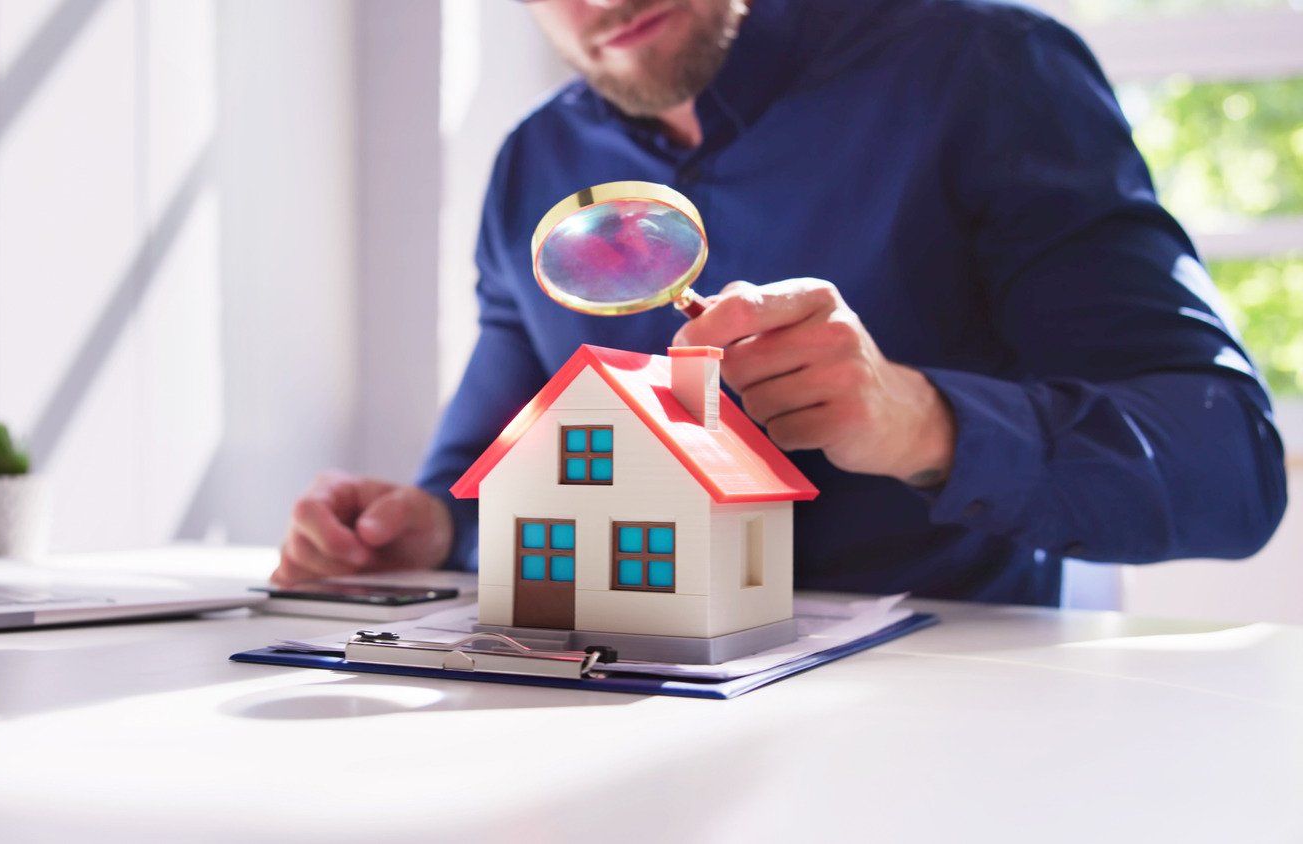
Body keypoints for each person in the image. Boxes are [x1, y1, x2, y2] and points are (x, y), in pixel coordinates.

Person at [274, 0, 1288, 605]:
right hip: (603, 740)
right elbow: (477, 481)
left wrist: (921, 421)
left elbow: (1229, 471)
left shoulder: (983, 70)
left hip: (935, 754)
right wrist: (420, 531)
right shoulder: (538, 166)